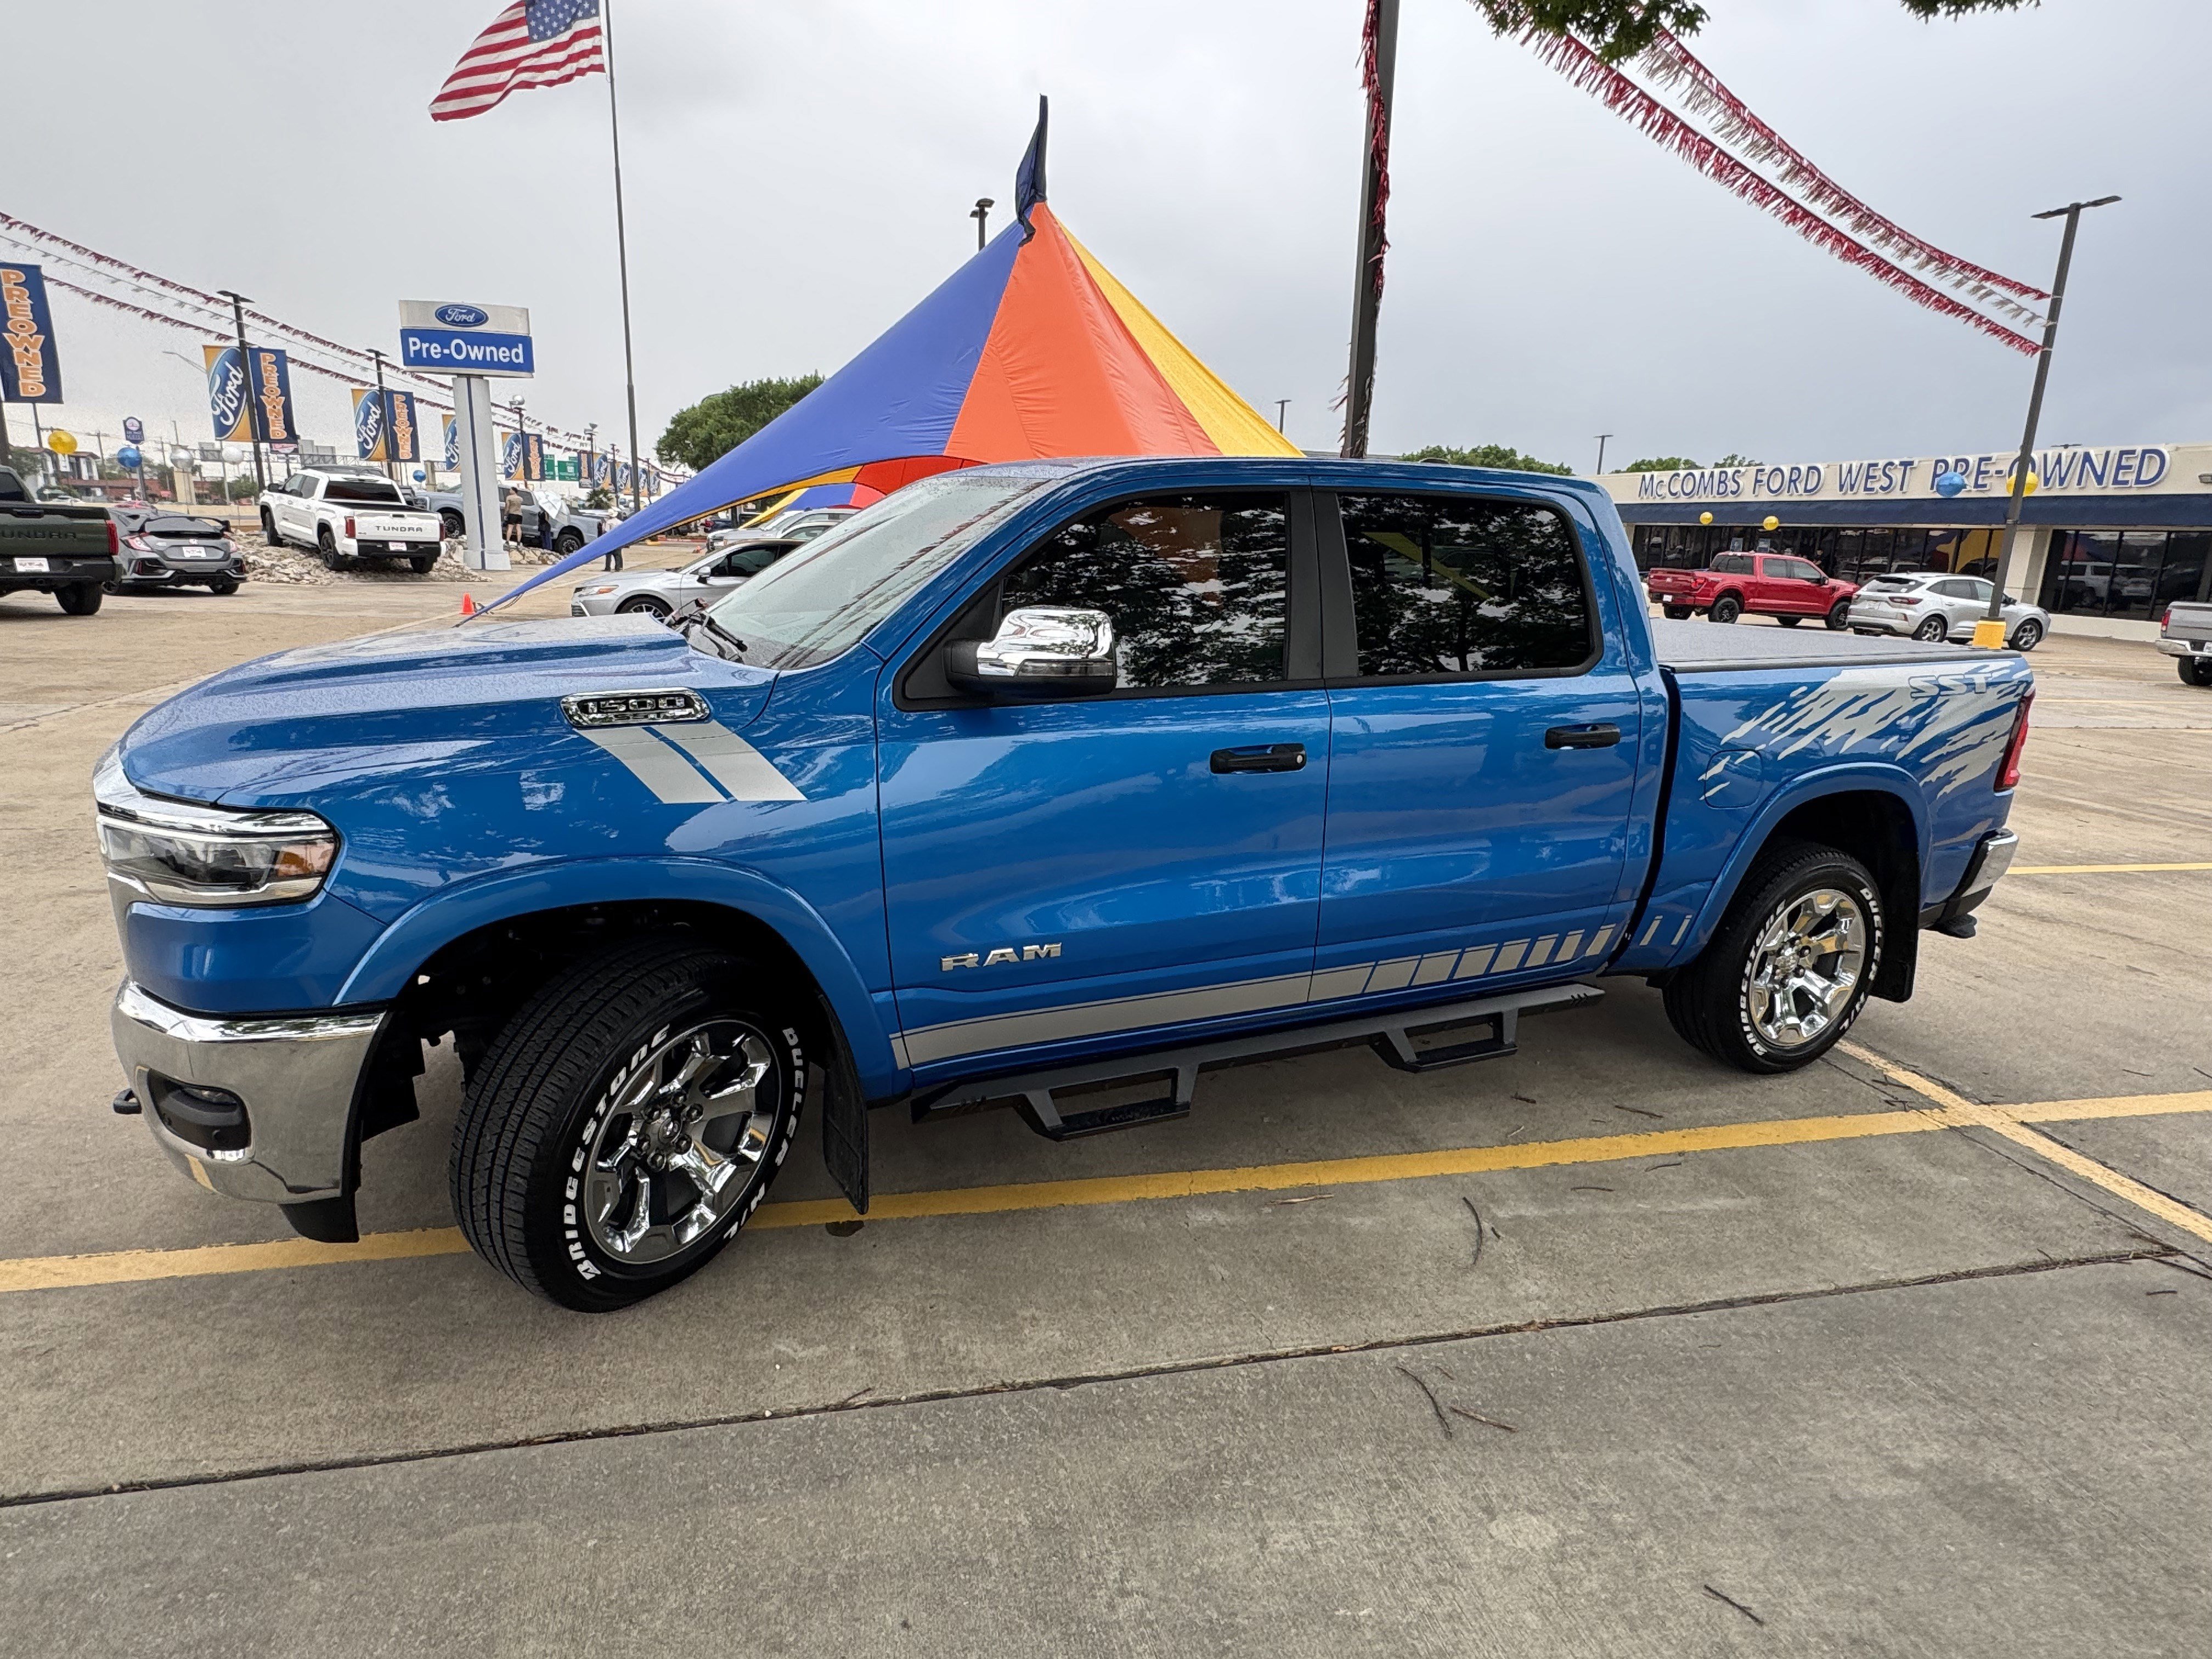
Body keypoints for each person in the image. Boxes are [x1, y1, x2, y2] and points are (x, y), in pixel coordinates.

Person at [501, 486, 523, 550]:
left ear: (514, 491)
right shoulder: (520, 499)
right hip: (519, 514)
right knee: (518, 528)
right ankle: (519, 543)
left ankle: (507, 542)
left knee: (510, 528)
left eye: (511, 490)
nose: (509, 491)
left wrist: (505, 513)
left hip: (512, 514)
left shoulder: (509, 498)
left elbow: (507, 506)